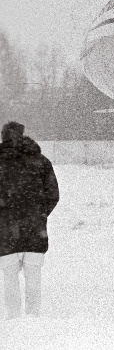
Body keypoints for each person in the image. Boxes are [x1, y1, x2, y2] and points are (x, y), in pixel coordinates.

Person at [0, 121, 59, 319]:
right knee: (33, 275)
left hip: (6, 231)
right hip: (35, 230)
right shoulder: (40, 161)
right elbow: (53, 195)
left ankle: (13, 317)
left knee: (9, 277)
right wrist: (39, 214)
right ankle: (33, 316)